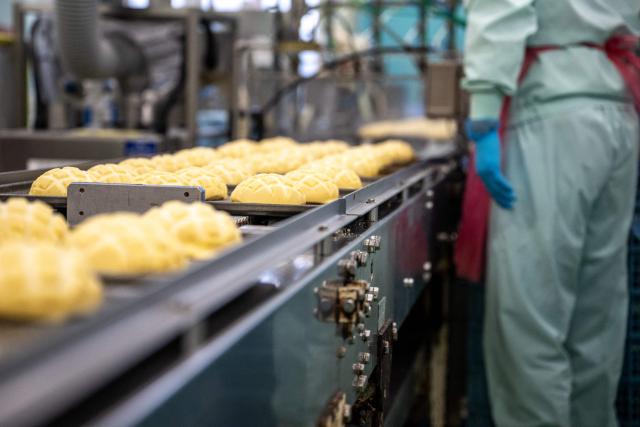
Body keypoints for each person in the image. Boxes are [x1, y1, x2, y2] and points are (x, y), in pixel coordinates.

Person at [458, 1, 640, 426]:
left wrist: (484, 113)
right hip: (619, 109)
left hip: (552, 114)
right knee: (596, 322)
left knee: (529, 324)